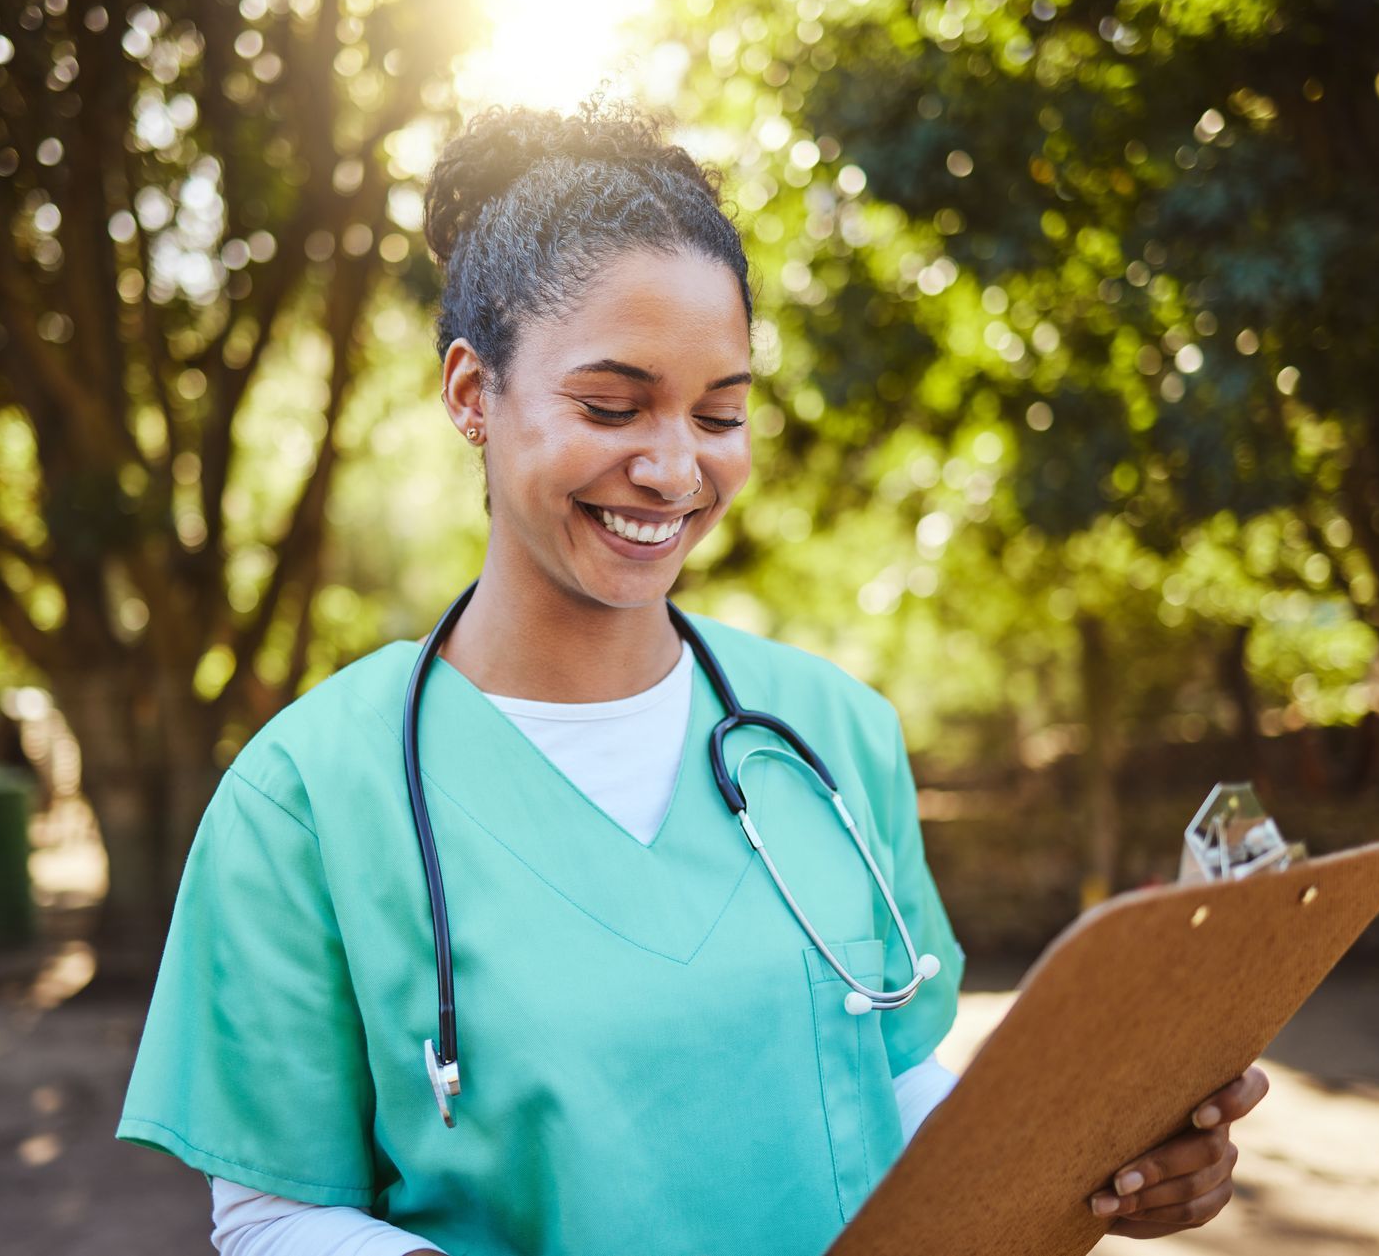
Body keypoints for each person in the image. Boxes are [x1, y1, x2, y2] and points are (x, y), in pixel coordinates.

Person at [115, 101, 1268, 1255]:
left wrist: (1095, 1168)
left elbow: (893, 1082)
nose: (674, 469)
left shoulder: (828, 733)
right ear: (472, 394)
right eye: (611, 406)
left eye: (720, 414)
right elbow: (275, 1213)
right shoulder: (307, 795)